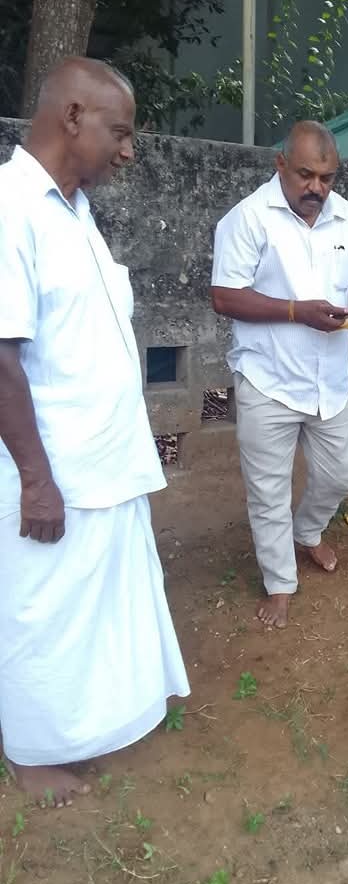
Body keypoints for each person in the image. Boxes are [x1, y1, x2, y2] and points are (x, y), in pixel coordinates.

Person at [0, 57, 190, 807]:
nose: (129, 150)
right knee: (43, 613)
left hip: (102, 458)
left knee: (97, 606)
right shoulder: (11, 206)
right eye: (121, 131)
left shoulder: (72, 210)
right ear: (72, 117)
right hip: (53, 469)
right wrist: (37, 481)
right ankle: (32, 751)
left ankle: (96, 719)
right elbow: (1, 356)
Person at [211, 121, 348, 629]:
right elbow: (225, 297)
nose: (317, 188)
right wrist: (296, 311)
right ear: (280, 164)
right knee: (268, 491)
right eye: (306, 175)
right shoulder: (247, 219)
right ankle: (280, 583)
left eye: (327, 178)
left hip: (329, 382)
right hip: (268, 379)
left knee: (339, 477)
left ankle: (306, 533)